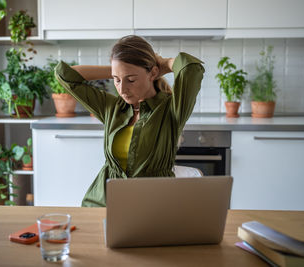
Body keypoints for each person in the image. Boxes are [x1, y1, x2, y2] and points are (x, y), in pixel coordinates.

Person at [55, 35, 204, 207]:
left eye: (131, 80)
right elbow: (65, 75)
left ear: (153, 73)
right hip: (103, 204)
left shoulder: (171, 109)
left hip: (154, 206)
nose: (122, 89)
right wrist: (117, 70)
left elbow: (191, 68)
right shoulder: (111, 107)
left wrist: (163, 63)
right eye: (116, 80)